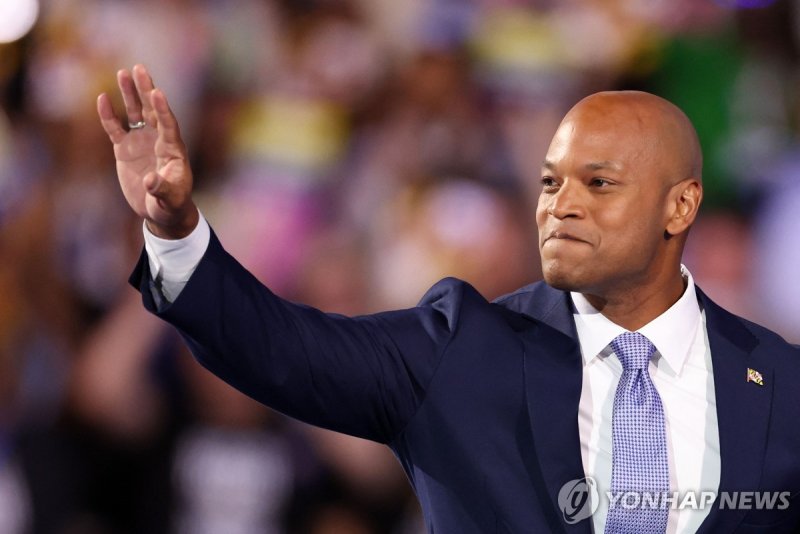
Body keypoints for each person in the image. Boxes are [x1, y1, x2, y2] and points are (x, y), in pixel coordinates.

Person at [97, 64, 800, 533]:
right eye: (550, 183)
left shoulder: (781, 384)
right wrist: (178, 232)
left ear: (681, 207)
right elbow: (277, 347)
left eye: (599, 183)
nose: (561, 206)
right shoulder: (462, 349)